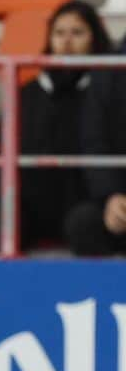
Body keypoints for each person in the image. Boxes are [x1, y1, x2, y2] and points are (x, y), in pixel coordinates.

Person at [0, 0, 109, 257]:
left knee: (3, 194)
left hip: (82, 200)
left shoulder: (107, 92)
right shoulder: (26, 93)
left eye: (77, 33)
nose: (67, 42)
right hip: (34, 202)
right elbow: (2, 150)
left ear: (94, 40)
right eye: (59, 33)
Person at [64, 42, 126, 256]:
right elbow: (94, 141)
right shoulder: (107, 68)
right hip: (120, 197)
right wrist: (112, 195)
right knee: (83, 222)